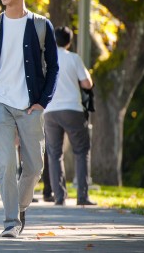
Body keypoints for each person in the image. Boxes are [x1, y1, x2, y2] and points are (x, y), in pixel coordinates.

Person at [0, 0, 59, 238]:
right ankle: (11, 221)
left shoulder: (40, 25)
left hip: (30, 106)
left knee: (35, 167)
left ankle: (20, 207)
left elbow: (54, 67)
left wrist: (43, 102)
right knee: (6, 164)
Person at [44, 26, 95, 206]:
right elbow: (87, 83)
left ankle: (59, 196)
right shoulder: (73, 58)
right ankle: (82, 196)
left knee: (54, 153)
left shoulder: (46, 59)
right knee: (81, 151)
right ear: (69, 42)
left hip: (49, 111)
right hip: (72, 109)